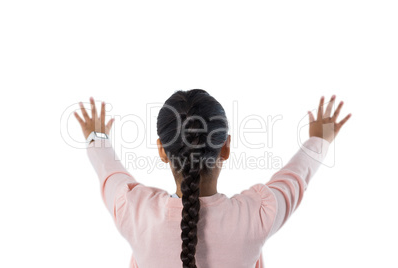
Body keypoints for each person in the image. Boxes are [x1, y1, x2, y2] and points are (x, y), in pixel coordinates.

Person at [74, 89, 351, 268]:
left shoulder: (132, 210)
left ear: (162, 150)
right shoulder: (258, 214)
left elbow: (107, 169)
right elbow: (295, 178)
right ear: (226, 147)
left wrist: (96, 136)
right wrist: (319, 139)